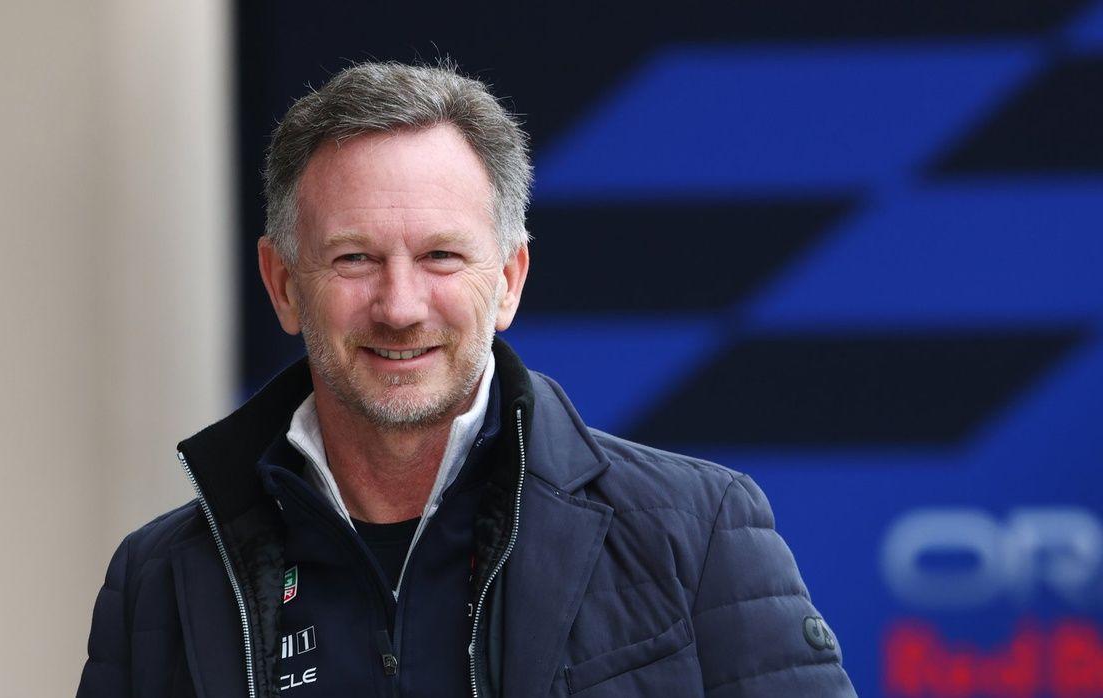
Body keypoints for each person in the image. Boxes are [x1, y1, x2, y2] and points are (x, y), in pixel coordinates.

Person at [77, 60, 857, 698]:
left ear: (509, 279)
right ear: (283, 284)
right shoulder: (157, 581)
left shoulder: (697, 534)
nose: (400, 306)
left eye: (441, 256)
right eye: (355, 258)